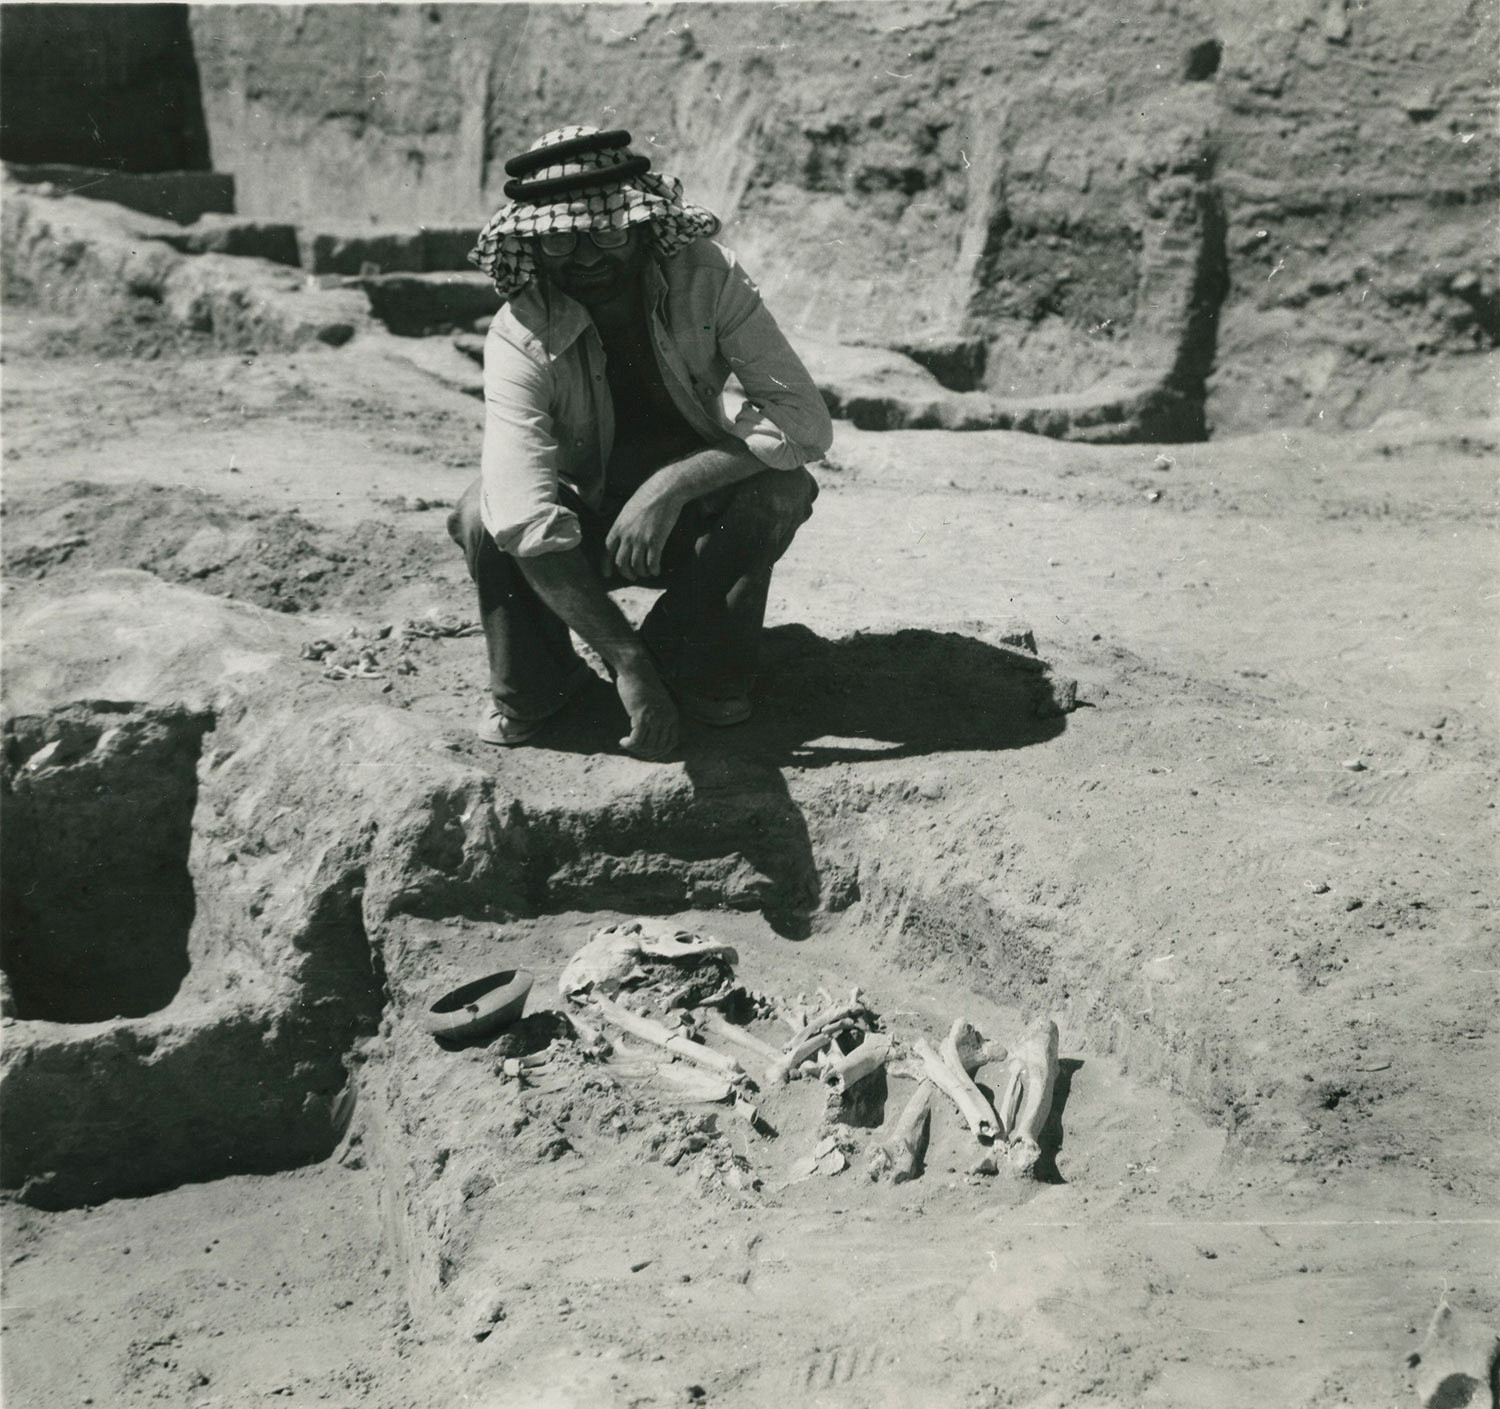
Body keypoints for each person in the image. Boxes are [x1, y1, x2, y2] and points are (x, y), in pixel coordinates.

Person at [450, 125, 832, 761]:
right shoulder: (519, 331)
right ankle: (545, 687)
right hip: (582, 530)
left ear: (643, 225)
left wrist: (667, 487)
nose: (586, 257)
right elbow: (522, 514)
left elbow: (805, 420)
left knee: (781, 489)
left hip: (692, 521)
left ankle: (693, 661)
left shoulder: (707, 278)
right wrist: (627, 666)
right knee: (479, 513)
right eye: (560, 239)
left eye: (608, 231)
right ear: (533, 244)